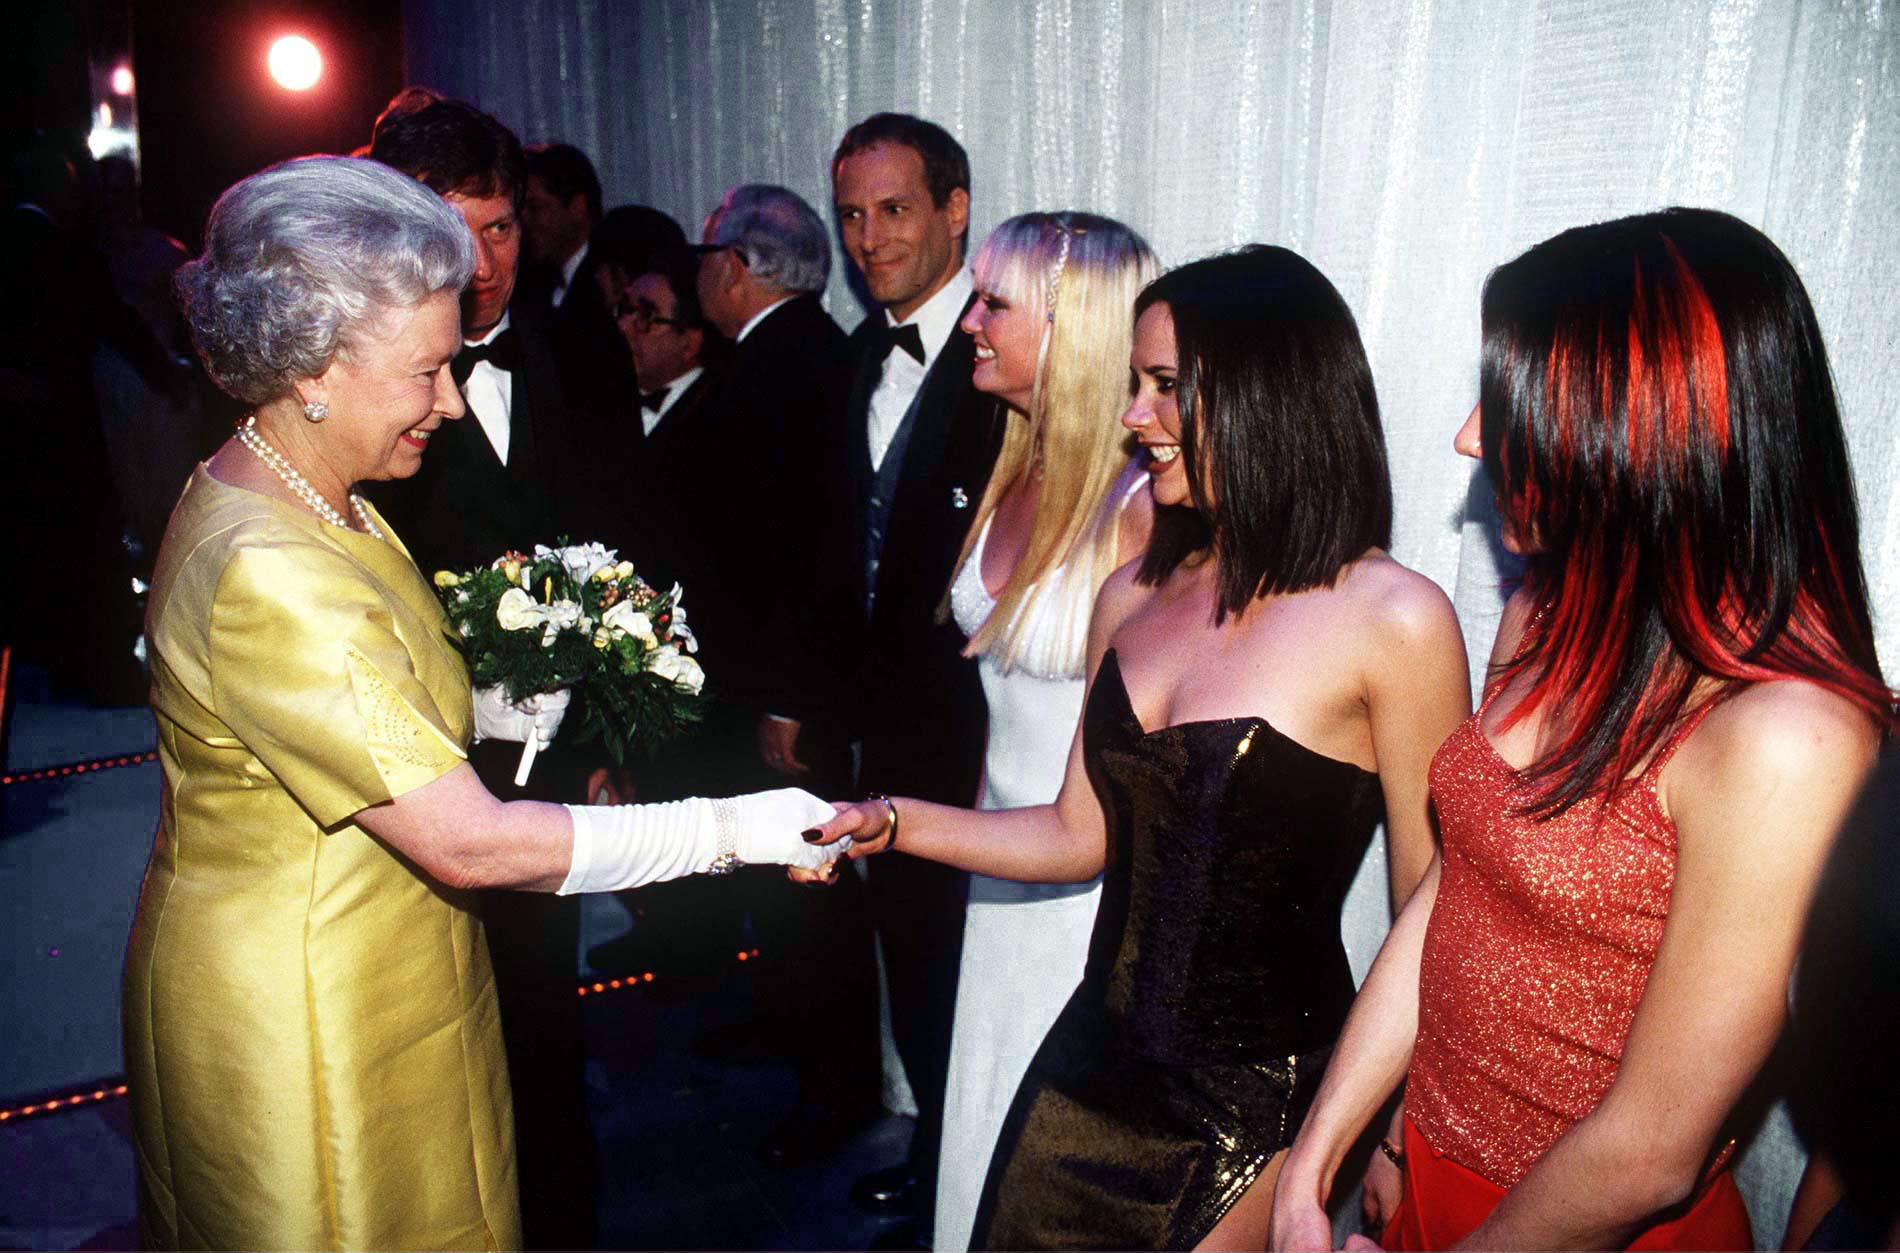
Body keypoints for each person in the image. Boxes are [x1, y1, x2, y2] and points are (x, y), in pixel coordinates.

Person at [125, 155, 844, 1251]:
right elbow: (464, 843)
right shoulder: (271, 562)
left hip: (388, 947)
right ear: (317, 364)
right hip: (307, 990)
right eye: (426, 371)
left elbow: (366, 689)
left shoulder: (310, 486)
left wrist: (503, 706)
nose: (450, 401)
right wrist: (732, 827)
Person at [811, 244, 1472, 1250]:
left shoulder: (1395, 618)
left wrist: (1391, 1131)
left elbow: (1434, 909)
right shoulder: (1131, 594)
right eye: (1134, 383)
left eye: (1165, 386)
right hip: (1087, 1062)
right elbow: (1076, 835)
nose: (1132, 415)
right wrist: (890, 822)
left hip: (1257, 1102)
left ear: (1264, 393)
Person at [1267, 208, 1893, 1253]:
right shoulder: (1547, 609)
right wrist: (1322, 1154)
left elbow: (1651, 1147)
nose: (1471, 435)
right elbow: (1457, 884)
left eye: (1508, 406)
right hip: (1430, 1179)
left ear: (1643, 431)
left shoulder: (1788, 736)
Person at [364, 95, 611, 1249]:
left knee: (541, 1038)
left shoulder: (577, 346)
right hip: (395, 788)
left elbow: (624, 545)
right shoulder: (344, 393)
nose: (481, 263)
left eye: (503, 227)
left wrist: (606, 736)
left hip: (545, 776)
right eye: (448, 228)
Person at [933, 210, 1159, 1252]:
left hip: (1089, 890)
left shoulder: (1141, 507)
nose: (970, 321)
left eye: (994, 304)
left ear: (1071, 330)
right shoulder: (1009, 463)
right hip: (1001, 866)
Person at [810, 112, 1004, 1229]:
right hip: (880, 731)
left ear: (953, 210)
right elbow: (835, 553)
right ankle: (942, 1155)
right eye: (851, 214)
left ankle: (968, 1178)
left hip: (983, 733)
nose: (869, 237)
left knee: (971, 963)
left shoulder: (1005, 351)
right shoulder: (848, 360)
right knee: (918, 962)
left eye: (893, 209)